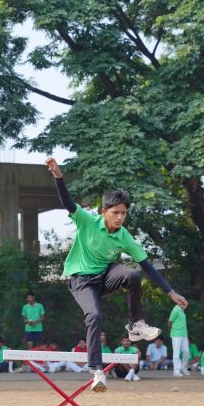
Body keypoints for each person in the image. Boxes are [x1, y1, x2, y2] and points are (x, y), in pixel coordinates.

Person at [45, 157, 188, 392]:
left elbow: (148, 266)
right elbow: (68, 203)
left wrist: (170, 291)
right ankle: (96, 371)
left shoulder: (125, 237)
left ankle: (135, 325)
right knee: (94, 316)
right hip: (81, 281)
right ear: (104, 212)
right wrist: (58, 177)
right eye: (115, 213)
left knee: (132, 275)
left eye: (124, 213)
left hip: (104, 277)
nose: (120, 217)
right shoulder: (87, 221)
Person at [168, 305, 190, 376]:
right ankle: (176, 370)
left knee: (186, 352)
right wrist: (172, 331)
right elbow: (170, 322)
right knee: (176, 352)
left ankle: (183, 368)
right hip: (176, 334)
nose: (184, 304)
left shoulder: (182, 310)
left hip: (184, 334)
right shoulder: (175, 310)